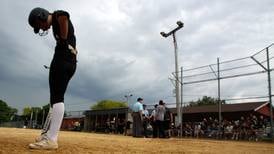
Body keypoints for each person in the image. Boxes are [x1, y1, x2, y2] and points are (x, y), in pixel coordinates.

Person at [28, 7, 77, 150]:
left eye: (40, 25)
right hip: (68, 60)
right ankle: (48, 134)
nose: (42, 28)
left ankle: (51, 139)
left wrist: (62, 39)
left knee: (57, 98)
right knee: (54, 99)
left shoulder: (56, 16)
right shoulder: (55, 23)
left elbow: (64, 16)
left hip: (64, 60)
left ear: (41, 16)